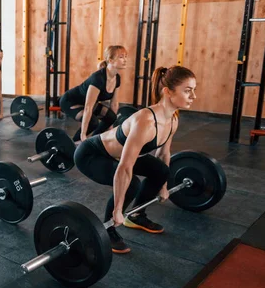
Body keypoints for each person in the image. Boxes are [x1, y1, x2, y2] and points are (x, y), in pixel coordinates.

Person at [73, 66, 196, 254]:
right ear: (168, 92)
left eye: (194, 90)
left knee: (162, 170)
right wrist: (118, 209)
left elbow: (163, 154)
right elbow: (124, 167)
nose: (193, 96)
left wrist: (162, 185)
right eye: (187, 91)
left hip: (117, 155)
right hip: (91, 154)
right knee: (132, 184)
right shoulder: (146, 121)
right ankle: (109, 229)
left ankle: (137, 214)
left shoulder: (173, 119)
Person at [60, 45, 127, 142]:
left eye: (125, 56)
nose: (125, 60)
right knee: (93, 122)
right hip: (70, 101)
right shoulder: (98, 78)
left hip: (87, 103)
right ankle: (74, 144)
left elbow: (114, 103)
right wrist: (83, 134)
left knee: (111, 117)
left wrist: (110, 126)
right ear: (111, 60)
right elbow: (88, 107)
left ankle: (94, 141)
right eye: (121, 57)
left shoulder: (117, 78)